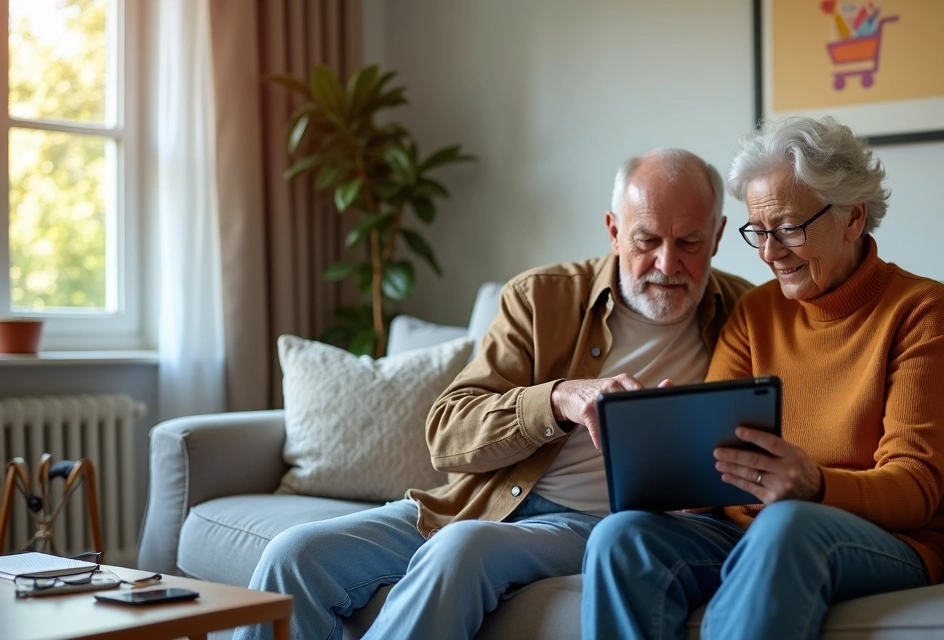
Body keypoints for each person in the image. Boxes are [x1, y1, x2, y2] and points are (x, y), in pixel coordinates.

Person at [233, 148, 752, 640]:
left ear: (718, 235)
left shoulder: (750, 316)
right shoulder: (540, 298)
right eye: (647, 241)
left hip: (597, 525)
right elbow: (448, 431)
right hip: (486, 499)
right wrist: (558, 400)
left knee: (463, 548)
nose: (667, 263)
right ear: (614, 232)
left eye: (689, 242)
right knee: (295, 555)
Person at [582, 117, 944, 639]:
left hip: (887, 539)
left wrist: (813, 486)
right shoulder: (754, 313)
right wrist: (682, 461)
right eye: (758, 232)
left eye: (789, 229)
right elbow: (716, 480)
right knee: (620, 536)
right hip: (752, 531)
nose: (769, 253)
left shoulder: (922, 311)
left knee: (786, 523)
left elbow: (916, 489)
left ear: (853, 218)